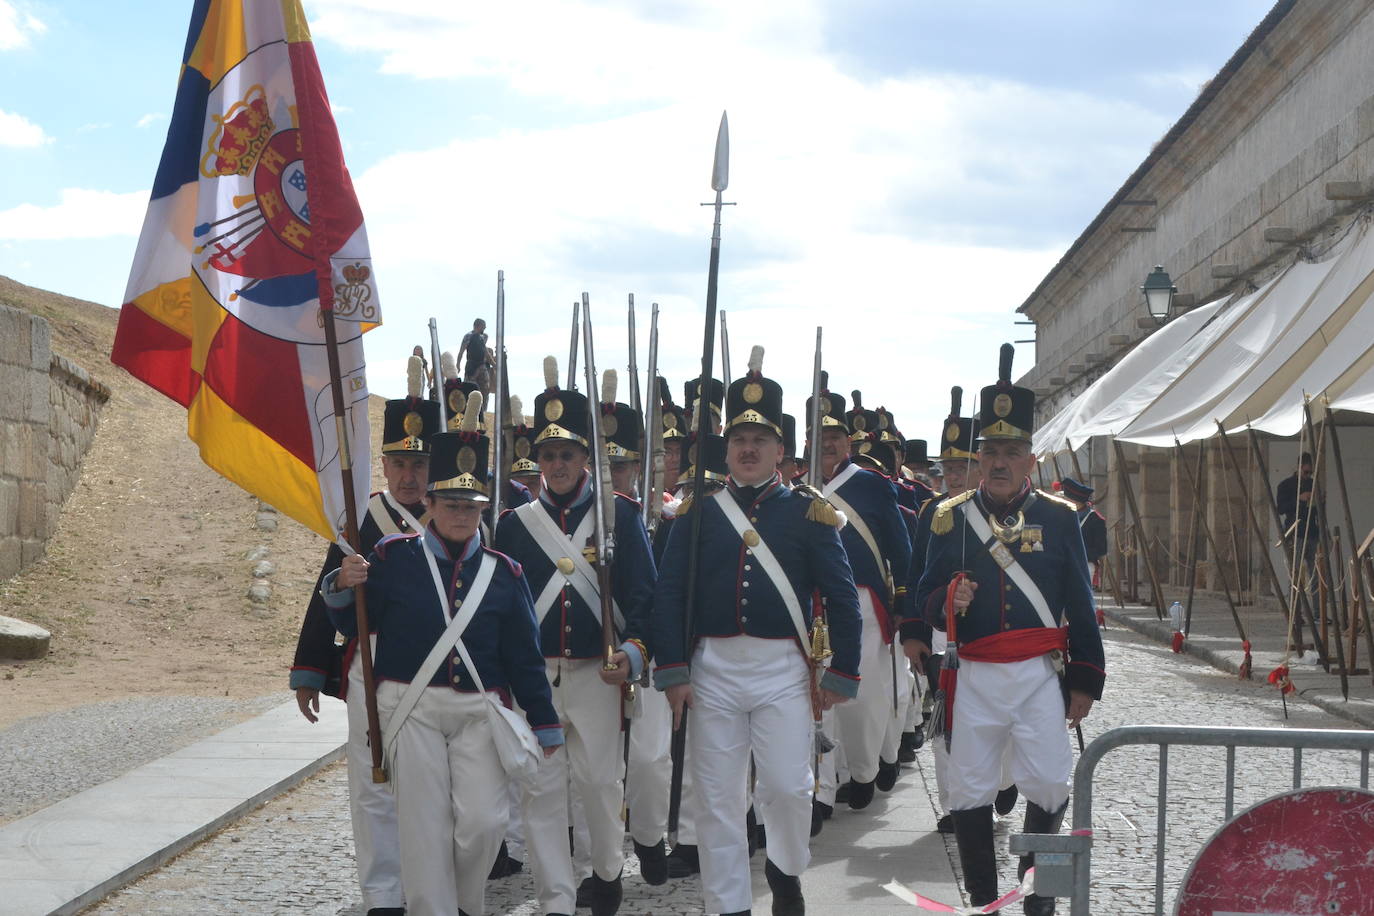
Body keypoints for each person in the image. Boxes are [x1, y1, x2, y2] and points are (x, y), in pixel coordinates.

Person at [322, 392, 564, 916]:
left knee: (483, 823)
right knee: (424, 828)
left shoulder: (504, 573)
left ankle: (463, 902)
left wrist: (543, 723)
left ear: (484, 510)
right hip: (411, 710)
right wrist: (342, 585)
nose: (461, 515)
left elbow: (525, 657)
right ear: (429, 505)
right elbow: (350, 623)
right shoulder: (389, 557)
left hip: (480, 711)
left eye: (471, 507)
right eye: (450, 504)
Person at [653, 347, 862, 916]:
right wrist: (672, 671)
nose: (748, 450)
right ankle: (730, 905)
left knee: (790, 788)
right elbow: (669, 594)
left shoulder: (808, 513)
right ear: (726, 449)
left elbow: (843, 597)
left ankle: (786, 868)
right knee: (718, 800)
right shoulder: (697, 510)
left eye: (760, 441)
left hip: (783, 671)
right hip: (713, 669)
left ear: (780, 452)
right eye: (739, 441)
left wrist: (843, 671)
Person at [914, 345, 1105, 915]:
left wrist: (1085, 681)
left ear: (1029, 458)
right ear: (979, 458)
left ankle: (1036, 892)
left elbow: (1081, 601)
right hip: (974, 674)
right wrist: (946, 599)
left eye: (1011, 452)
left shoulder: (1059, 517)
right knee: (969, 789)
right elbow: (923, 595)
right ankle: (979, 898)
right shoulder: (949, 518)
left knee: (1050, 783)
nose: (999, 462)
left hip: (1038, 674)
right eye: (990, 451)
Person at [493, 357, 656, 916]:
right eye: (547, 455)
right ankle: (556, 898)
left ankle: (607, 874)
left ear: (587, 457)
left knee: (599, 784)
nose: (557, 464)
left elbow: (644, 599)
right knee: (540, 792)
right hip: (536, 676)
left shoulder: (621, 517)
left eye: (567, 454)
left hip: (596, 671)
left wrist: (634, 653)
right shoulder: (514, 526)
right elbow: (499, 609)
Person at [289, 356, 439, 916]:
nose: (409, 475)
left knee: (436, 788)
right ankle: (382, 894)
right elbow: (322, 591)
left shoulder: (455, 516)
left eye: (420, 462)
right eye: (400, 461)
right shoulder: (362, 521)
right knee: (374, 782)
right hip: (371, 667)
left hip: (443, 669)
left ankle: (431, 885)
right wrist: (308, 670)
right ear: (383, 462)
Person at [813, 387, 912, 811]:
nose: (828, 443)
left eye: (835, 437)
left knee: (864, 695)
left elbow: (899, 547)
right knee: (819, 697)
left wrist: (905, 601)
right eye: (820, 436)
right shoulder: (798, 487)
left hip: (864, 599)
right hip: (815, 603)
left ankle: (864, 770)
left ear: (848, 442)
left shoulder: (872, 486)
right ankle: (823, 787)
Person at [1276, 452, 1322, 661]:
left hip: (1311, 533)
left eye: (1310, 472)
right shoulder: (1286, 485)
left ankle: (1316, 613)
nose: (1307, 475)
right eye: (1305, 471)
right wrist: (1298, 499)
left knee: (1316, 575)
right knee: (1295, 575)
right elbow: (1281, 509)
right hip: (1295, 533)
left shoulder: (1313, 484)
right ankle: (1295, 615)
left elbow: (1319, 511)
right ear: (1298, 467)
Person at [460, 318, 494, 404]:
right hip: (472, 366)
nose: (484, 328)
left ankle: (483, 410)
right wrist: (458, 364)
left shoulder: (481, 338)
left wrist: (494, 364)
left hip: (482, 366)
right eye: (483, 327)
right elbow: (461, 351)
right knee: (470, 388)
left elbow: (486, 353)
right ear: (478, 326)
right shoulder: (468, 336)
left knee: (485, 389)